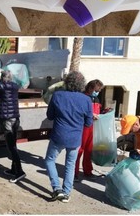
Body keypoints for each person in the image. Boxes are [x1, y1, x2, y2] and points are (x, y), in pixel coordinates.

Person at [44, 71, 93, 203]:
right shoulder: (87, 100)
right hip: (75, 138)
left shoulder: (57, 95)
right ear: (82, 84)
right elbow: (88, 123)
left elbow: (50, 116)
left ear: (66, 82)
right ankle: (66, 193)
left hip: (58, 135)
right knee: (70, 166)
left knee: (49, 160)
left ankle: (56, 188)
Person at [0, 67, 25, 183]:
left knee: (11, 146)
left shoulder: (3, 87)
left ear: (3, 78)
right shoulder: (14, 86)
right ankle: (13, 170)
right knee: (13, 145)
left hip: (8, 120)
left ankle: (20, 172)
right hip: (15, 119)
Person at [75, 79, 110, 181]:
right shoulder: (82, 97)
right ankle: (74, 173)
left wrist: (105, 111)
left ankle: (88, 171)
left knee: (89, 151)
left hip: (93, 128)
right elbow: (78, 112)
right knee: (79, 150)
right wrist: (90, 115)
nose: (97, 92)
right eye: (96, 90)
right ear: (90, 88)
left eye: (99, 91)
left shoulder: (97, 99)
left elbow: (97, 111)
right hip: (83, 127)